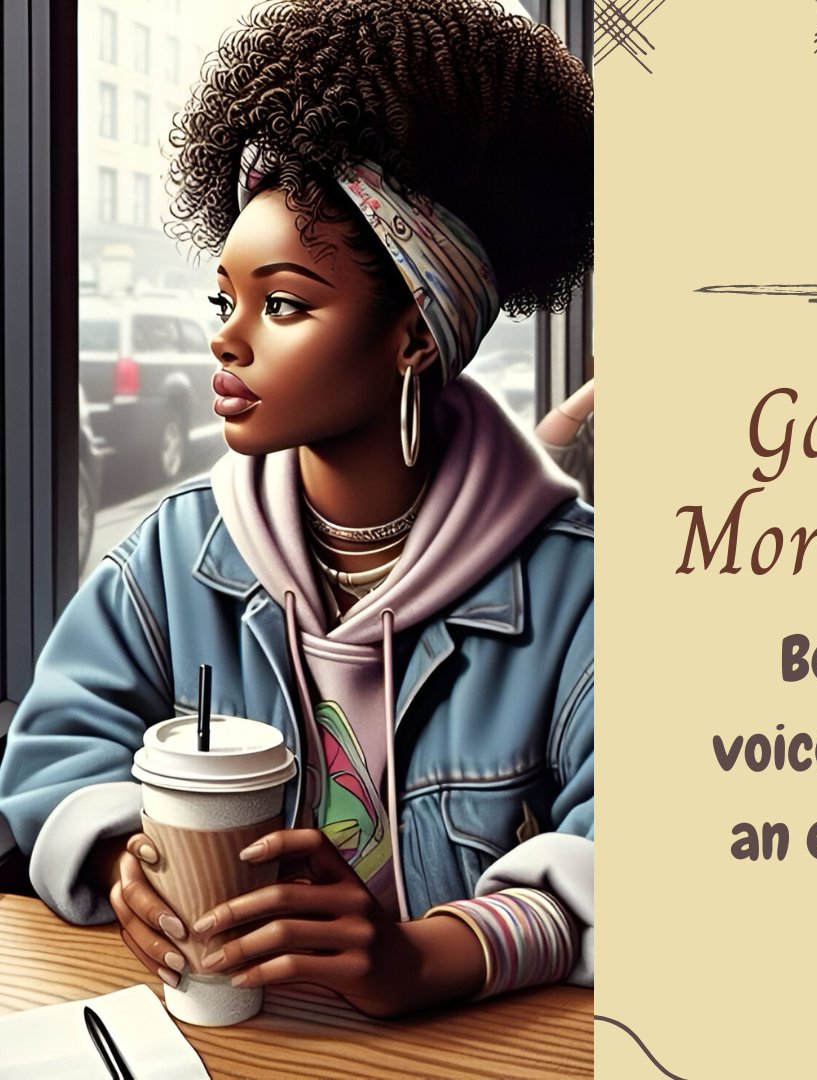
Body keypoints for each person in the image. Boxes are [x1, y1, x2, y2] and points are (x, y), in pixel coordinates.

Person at [0, 0, 592, 1017]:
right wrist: (116, 857)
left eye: (281, 304)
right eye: (221, 300)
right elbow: (57, 751)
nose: (228, 342)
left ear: (416, 332)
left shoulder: (580, 589)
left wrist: (427, 957)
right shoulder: (173, 555)